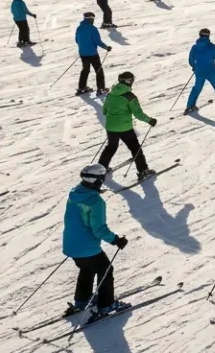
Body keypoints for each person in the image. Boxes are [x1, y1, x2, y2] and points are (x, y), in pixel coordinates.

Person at [62, 164, 130, 318]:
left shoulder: (74, 194)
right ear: (97, 181)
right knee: (106, 270)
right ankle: (106, 305)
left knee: (87, 268)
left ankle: (82, 300)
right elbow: (99, 229)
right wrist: (116, 240)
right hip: (87, 247)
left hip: (70, 245)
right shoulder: (95, 201)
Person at [100, 72, 157, 179]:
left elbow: (104, 110)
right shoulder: (130, 96)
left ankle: (100, 169)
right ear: (129, 81)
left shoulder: (110, 94)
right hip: (124, 128)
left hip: (110, 127)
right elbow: (138, 114)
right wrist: (150, 120)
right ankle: (143, 170)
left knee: (111, 147)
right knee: (135, 148)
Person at [187, 29, 215, 111]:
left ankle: (190, 106)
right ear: (208, 36)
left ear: (200, 35)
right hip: (211, 72)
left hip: (199, 72)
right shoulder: (212, 47)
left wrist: (194, 66)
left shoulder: (195, 47)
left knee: (196, 88)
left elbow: (191, 59)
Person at [75, 13, 112, 96]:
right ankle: (101, 88)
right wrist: (106, 47)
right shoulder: (93, 28)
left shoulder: (79, 28)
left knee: (85, 70)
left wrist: (83, 47)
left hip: (83, 53)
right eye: (93, 19)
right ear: (90, 19)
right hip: (92, 54)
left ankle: (82, 88)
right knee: (98, 70)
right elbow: (97, 41)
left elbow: (77, 40)